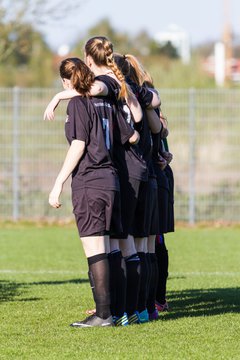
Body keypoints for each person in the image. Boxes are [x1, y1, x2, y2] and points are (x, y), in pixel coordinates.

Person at [47, 57, 137, 328]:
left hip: (90, 180)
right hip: (112, 181)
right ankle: (120, 311)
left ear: (67, 81)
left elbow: (78, 144)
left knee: (94, 248)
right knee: (110, 247)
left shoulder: (77, 103)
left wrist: (58, 182)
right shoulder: (107, 103)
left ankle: (103, 315)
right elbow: (131, 136)